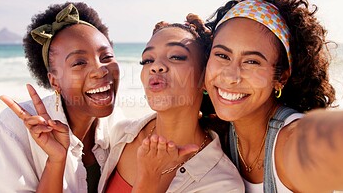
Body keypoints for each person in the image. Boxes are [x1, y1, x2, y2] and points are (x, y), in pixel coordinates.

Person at [203, 0, 343, 192]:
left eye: (252, 61)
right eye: (222, 55)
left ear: (281, 76)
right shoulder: (219, 136)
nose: (230, 76)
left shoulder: (292, 141)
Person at [0, 2, 124, 193]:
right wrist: (56, 161)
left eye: (106, 57)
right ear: (54, 81)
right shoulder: (11, 130)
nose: (100, 71)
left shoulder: (118, 124)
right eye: (79, 62)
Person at [99, 14, 244, 192]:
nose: (155, 66)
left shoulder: (221, 184)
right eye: (147, 60)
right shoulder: (121, 135)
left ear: (205, 78)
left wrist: (149, 176)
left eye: (175, 57)